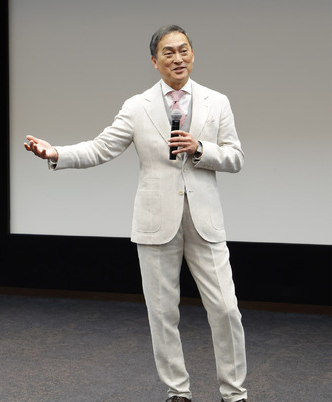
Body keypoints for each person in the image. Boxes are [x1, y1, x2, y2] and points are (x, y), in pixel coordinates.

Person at [24, 25, 248, 402]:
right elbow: (100, 148)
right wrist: (56, 153)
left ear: (193, 54)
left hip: (205, 221)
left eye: (183, 50)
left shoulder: (217, 102)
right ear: (154, 61)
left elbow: (235, 157)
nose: (178, 58)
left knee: (226, 308)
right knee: (162, 313)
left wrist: (200, 149)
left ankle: (234, 392)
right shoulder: (137, 106)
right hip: (155, 221)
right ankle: (178, 391)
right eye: (168, 53)